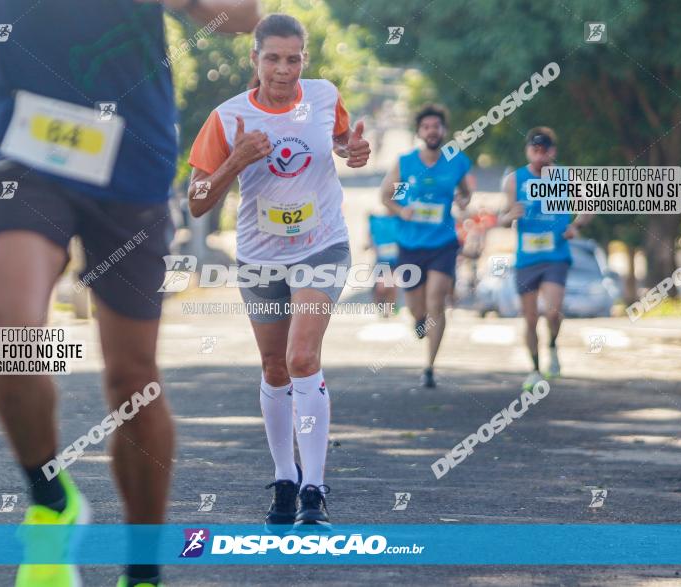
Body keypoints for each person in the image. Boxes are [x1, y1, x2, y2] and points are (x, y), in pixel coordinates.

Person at [0, 1, 260, 586]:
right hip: (25, 148)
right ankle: (50, 502)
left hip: (132, 157)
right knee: (9, 337)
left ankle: (142, 572)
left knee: (131, 377)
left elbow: (243, 15)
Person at [186, 13, 370, 530]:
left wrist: (352, 150)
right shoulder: (227, 118)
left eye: (293, 59)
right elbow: (197, 202)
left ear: (304, 59)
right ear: (254, 59)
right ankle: (284, 477)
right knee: (274, 368)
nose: (283, 70)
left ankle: (314, 487)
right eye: (272, 58)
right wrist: (234, 162)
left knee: (303, 357)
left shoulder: (325, 97)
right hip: (261, 257)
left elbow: (338, 142)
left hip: (322, 246)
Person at [379, 104, 473, 388]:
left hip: (443, 243)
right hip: (410, 244)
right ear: (420, 132)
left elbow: (466, 192)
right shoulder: (407, 164)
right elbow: (387, 196)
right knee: (416, 308)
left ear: (443, 131)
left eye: (437, 126)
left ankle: (430, 367)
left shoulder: (456, 161)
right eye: (426, 127)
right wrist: (401, 210)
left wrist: (462, 201)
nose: (432, 131)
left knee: (436, 301)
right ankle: (419, 320)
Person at [498, 127, 591, 391]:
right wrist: (509, 217)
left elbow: (588, 205)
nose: (539, 156)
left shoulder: (565, 177)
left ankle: (552, 344)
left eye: (544, 151)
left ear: (553, 152)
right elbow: (503, 219)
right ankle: (535, 369)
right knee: (529, 318)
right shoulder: (515, 180)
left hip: (556, 255)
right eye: (534, 150)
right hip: (526, 258)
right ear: (528, 150)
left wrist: (576, 226)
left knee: (552, 311)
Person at [367, 212, 401, 316]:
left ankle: (391, 306)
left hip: (395, 259)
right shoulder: (375, 220)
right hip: (381, 259)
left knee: (392, 283)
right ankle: (382, 304)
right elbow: (370, 235)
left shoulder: (398, 220)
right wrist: (370, 245)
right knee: (381, 287)